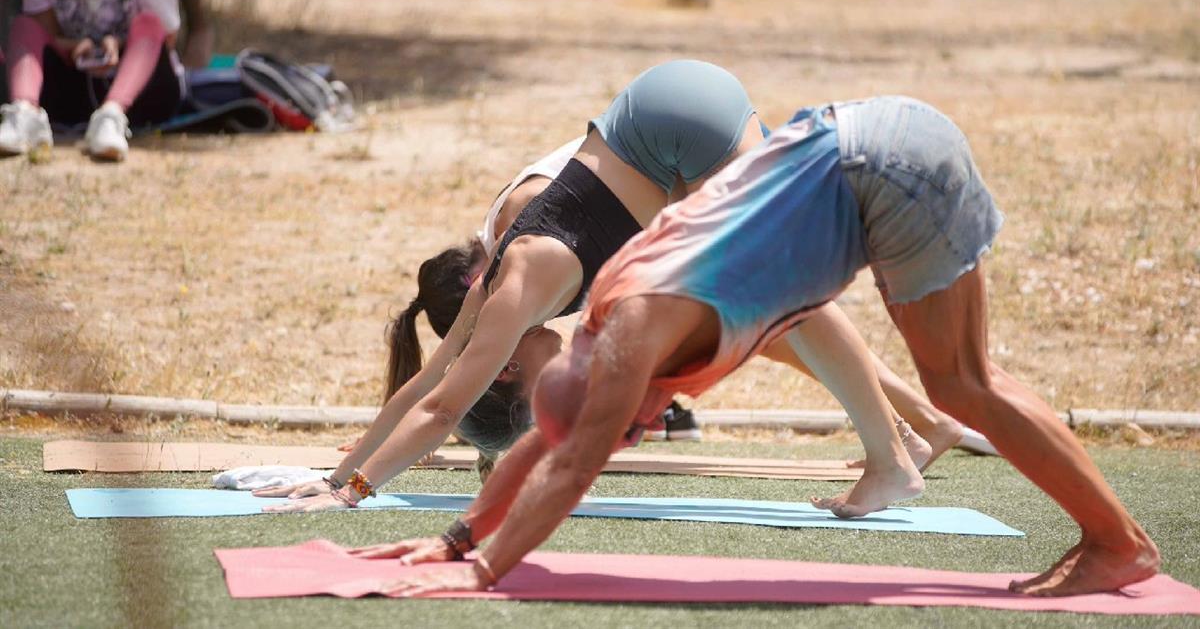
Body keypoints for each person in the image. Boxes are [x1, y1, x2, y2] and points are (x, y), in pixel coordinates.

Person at [355, 96, 1159, 598]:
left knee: (960, 383)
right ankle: (1114, 538)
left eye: (626, 425)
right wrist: (458, 535)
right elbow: (556, 444)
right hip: (876, 142)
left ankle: (1116, 542)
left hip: (883, 165)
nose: (638, 429)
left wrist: (483, 572)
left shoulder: (629, 330)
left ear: (607, 381)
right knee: (969, 378)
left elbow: (570, 461)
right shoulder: (605, 340)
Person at [0, 0, 183, 161]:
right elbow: (45, 29)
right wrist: (73, 47)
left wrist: (118, 45)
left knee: (150, 24)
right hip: (70, 89)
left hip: (142, 93)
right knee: (24, 26)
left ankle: (112, 116)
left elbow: (166, 37)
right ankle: (24, 113)